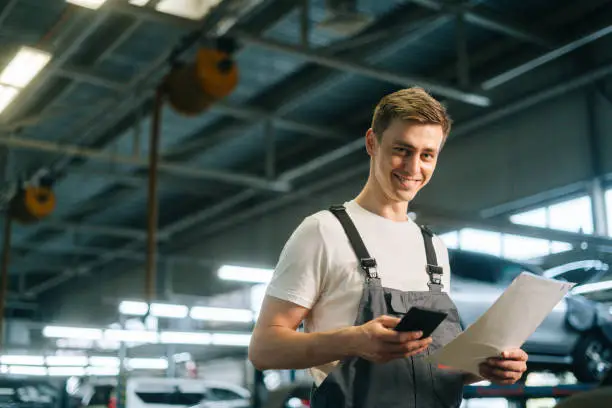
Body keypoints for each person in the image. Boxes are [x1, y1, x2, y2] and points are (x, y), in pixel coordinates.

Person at [248, 87, 528, 407]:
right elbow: (263, 349)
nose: (413, 168)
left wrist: (483, 367)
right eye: (402, 150)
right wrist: (354, 341)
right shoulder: (323, 231)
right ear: (372, 142)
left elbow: (431, 370)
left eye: (427, 155)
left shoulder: (433, 249)